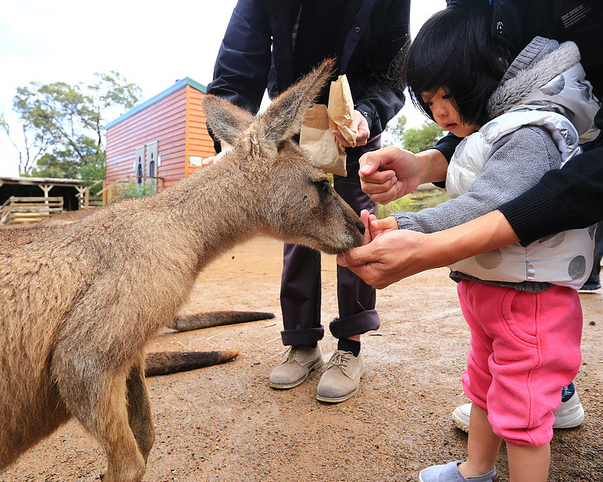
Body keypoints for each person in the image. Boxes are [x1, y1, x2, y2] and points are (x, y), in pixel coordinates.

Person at [358, 2, 600, 480]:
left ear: (496, 68)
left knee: (523, 414)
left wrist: (412, 229)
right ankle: (475, 470)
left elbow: (486, 204)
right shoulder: (498, 121)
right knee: (484, 386)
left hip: (529, 302)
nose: (439, 112)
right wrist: (422, 165)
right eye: (428, 100)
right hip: (493, 293)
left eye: (447, 95)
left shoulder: (532, 129)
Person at [205, 0, 409, 403]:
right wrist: (233, 137)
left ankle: (349, 346)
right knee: (297, 220)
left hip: (355, 119)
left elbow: (391, 71)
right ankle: (302, 342)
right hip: (292, 113)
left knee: (356, 221)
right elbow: (239, 58)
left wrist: (368, 114)